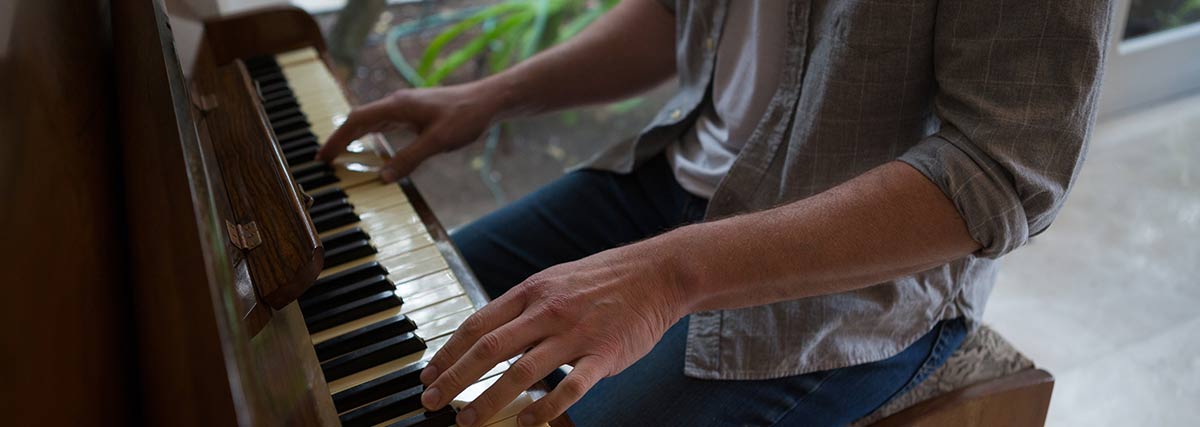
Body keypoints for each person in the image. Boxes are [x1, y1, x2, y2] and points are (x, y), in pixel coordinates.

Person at [317, 0, 1113, 425]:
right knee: (379, 303)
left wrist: (666, 277)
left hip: (866, 282)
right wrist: (492, 96)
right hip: (672, 176)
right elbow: (674, 14)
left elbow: (1001, 170)